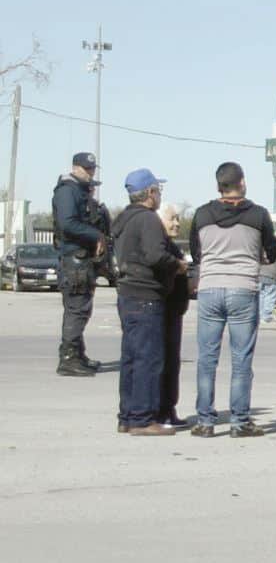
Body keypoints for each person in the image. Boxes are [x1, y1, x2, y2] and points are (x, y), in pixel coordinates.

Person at [189, 162, 276, 438]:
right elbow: (272, 253)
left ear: (218, 186)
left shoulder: (202, 214)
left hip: (210, 289)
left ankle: (205, 421)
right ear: (242, 182)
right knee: (241, 360)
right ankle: (240, 422)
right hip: (243, 288)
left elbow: (196, 253)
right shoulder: (258, 215)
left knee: (207, 358)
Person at [112, 169, 185, 436]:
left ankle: (127, 416)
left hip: (128, 293)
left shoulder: (123, 219)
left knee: (131, 358)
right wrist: (177, 265)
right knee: (148, 359)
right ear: (150, 193)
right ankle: (143, 419)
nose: (159, 195)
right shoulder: (148, 220)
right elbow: (155, 256)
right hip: (146, 295)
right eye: (158, 190)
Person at [50, 152, 108, 377]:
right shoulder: (67, 190)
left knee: (81, 307)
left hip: (82, 260)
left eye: (92, 169)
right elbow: (68, 224)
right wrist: (96, 235)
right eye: (86, 169)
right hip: (74, 260)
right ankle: (68, 359)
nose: (90, 173)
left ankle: (78, 354)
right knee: (77, 309)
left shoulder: (78, 190)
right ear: (75, 168)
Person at [157, 204, 190, 429]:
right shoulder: (159, 247)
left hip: (174, 312)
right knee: (163, 362)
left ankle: (169, 408)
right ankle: (161, 411)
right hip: (163, 311)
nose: (176, 223)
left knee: (172, 362)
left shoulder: (171, 246)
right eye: (172, 219)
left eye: (178, 219)